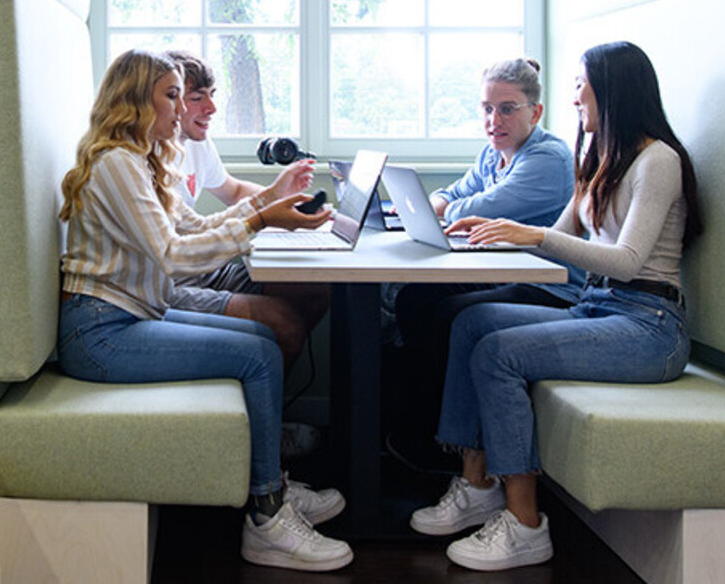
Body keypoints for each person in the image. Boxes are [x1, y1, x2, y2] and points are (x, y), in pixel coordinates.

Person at [56, 49, 355, 572]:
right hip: (99, 333)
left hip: (130, 316)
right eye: (171, 96)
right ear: (134, 101)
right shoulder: (117, 165)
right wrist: (263, 222)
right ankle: (265, 516)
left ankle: (272, 489)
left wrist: (269, 202)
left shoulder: (141, 159)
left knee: (263, 343)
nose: (181, 108)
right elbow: (173, 254)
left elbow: (190, 228)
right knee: (260, 356)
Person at [411, 41, 703, 572]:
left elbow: (628, 260)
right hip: (600, 307)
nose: (574, 98)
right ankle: (476, 484)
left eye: (580, 86)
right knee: (473, 321)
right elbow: (559, 233)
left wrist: (530, 235)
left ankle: (524, 523)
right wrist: (498, 234)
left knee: (499, 352)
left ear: (612, 91)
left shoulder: (658, 162)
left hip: (650, 328)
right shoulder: (599, 158)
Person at [384, 59, 579, 470]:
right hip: (503, 273)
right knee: (413, 300)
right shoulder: (495, 155)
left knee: (453, 315)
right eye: (487, 109)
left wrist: (441, 207)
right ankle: (420, 430)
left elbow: (479, 208)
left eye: (507, 109)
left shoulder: (548, 159)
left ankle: (450, 444)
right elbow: (451, 193)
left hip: (553, 288)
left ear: (535, 112)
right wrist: (438, 204)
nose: (494, 120)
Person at [162, 50, 332, 367]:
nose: (211, 109)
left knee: (314, 290)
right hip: (172, 279)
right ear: (171, 100)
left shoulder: (197, 144)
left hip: (199, 266)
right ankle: (255, 393)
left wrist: (278, 195)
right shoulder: (147, 158)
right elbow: (180, 247)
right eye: (198, 98)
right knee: (285, 323)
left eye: (212, 96)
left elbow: (233, 191)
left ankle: (264, 387)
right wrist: (266, 215)